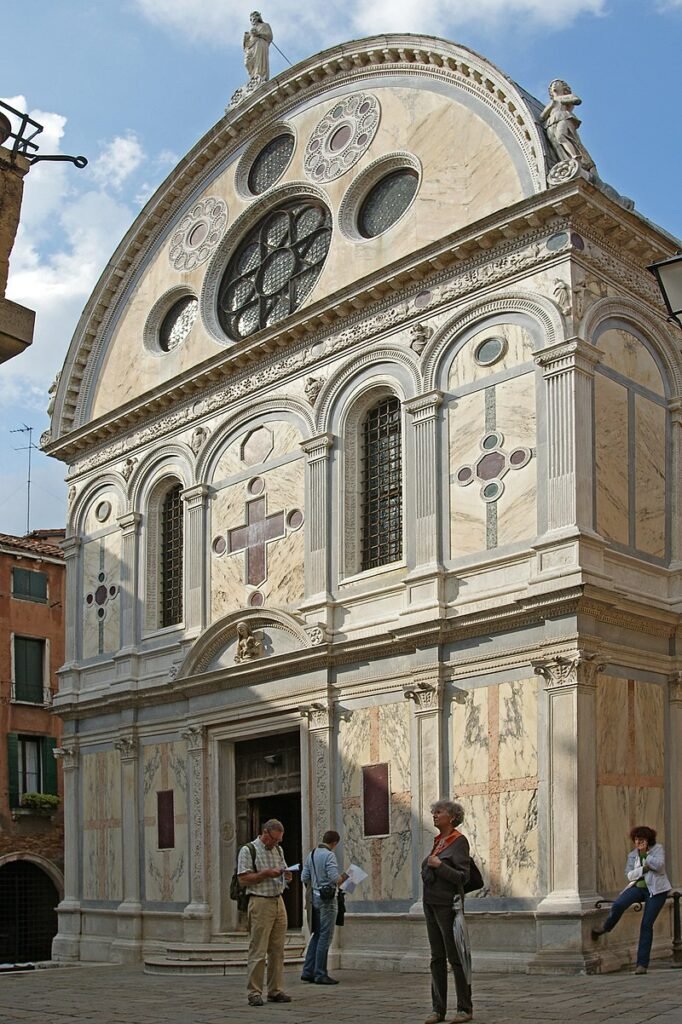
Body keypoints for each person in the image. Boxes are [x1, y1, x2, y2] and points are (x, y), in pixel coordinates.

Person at [592, 825, 671, 974]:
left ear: (648, 840)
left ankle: (642, 964)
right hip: (638, 887)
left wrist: (645, 855)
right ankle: (606, 926)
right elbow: (629, 875)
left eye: (641, 840)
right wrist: (643, 869)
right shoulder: (632, 855)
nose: (638, 843)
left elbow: (659, 866)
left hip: (657, 891)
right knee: (619, 904)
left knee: (646, 924)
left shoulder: (657, 849)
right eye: (636, 840)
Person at [421, 800, 473, 1024]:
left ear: (451, 817)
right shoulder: (438, 841)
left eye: (438, 812)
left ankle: (464, 1008)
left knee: (456, 957)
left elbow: (462, 877)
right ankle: (438, 1009)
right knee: (437, 958)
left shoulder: (459, 841)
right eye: (434, 812)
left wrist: (439, 866)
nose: (434, 815)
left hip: (448, 905)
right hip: (431, 903)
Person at [237, 818, 293, 1006]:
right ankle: (254, 992)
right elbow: (243, 879)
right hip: (260, 901)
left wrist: (287, 875)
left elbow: (283, 869)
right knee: (258, 949)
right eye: (274, 839)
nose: (277, 843)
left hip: (278, 900)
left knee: (277, 949)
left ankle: (275, 990)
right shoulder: (248, 850)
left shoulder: (278, 849)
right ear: (265, 833)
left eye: (279, 841)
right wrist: (266, 873)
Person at [300, 829, 348, 985]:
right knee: (325, 937)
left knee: (317, 934)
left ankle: (308, 971)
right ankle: (320, 973)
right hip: (328, 900)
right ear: (334, 843)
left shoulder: (312, 854)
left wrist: (316, 884)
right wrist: (348, 876)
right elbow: (335, 878)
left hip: (315, 898)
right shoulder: (329, 855)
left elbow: (304, 877)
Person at [540, 79, 595, 175]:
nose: (554, 85)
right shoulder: (552, 102)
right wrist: (551, 105)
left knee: (561, 136)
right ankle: (566, 160)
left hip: (563, 117)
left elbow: (577, 100)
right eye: (552, 84)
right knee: (556, 143)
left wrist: (561, 100)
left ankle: (575, 157)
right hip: (551, 122)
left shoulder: (565, 97)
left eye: (556, 83)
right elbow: (542, 117)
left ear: (563, 87)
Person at [243, 11, 273, 82]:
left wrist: (258, 34)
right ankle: (253, 76)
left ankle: (259, 75)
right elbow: (246, 46)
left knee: (259, 61)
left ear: (258, 18)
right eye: (251, 20)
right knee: (247, 62)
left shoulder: (265, 25)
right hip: (251, 47)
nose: (253, 21)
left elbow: (269, 36)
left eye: (254, 19)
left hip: (260, 44)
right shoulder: (251, 31)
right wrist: (246, 39)